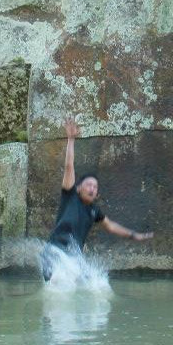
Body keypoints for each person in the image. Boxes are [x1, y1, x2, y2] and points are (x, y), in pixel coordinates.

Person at [41, 117, 153, 281]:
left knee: (92, 282)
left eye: (95, 187)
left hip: (72, 258)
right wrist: (71, 140)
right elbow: (69, 166)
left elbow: (111, 226)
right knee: (59, 285)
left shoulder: (94, 211)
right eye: (89, 185)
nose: (92, 189)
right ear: (79, 188)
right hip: (54, 252)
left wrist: (134, 235)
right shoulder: (69, 194)